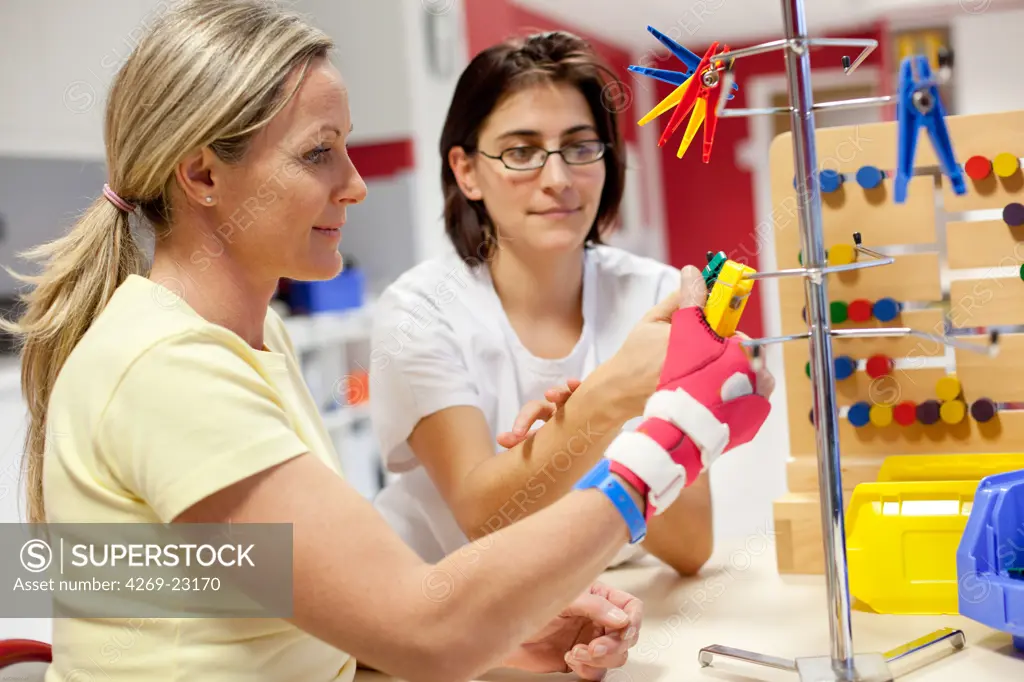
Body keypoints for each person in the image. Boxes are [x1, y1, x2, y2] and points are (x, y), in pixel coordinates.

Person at [2, 2, 771, 681]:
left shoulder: (249, 335)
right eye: (317, 152)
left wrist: (500, 637)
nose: (356, 182)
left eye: (579, 148)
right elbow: (426, 631)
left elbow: (252, 600)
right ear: (203, 174)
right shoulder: (166, 368)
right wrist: (672, 440)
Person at [370, 31, 771, 575]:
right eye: (521, 151)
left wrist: (577, 435)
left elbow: (691, 544)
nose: (558, 180)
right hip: (438, 609)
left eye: (581, 147)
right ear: (466, 171)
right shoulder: (420, 311)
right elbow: (484, 518)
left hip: (599, 599)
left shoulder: (653, 295)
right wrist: (609, 402)